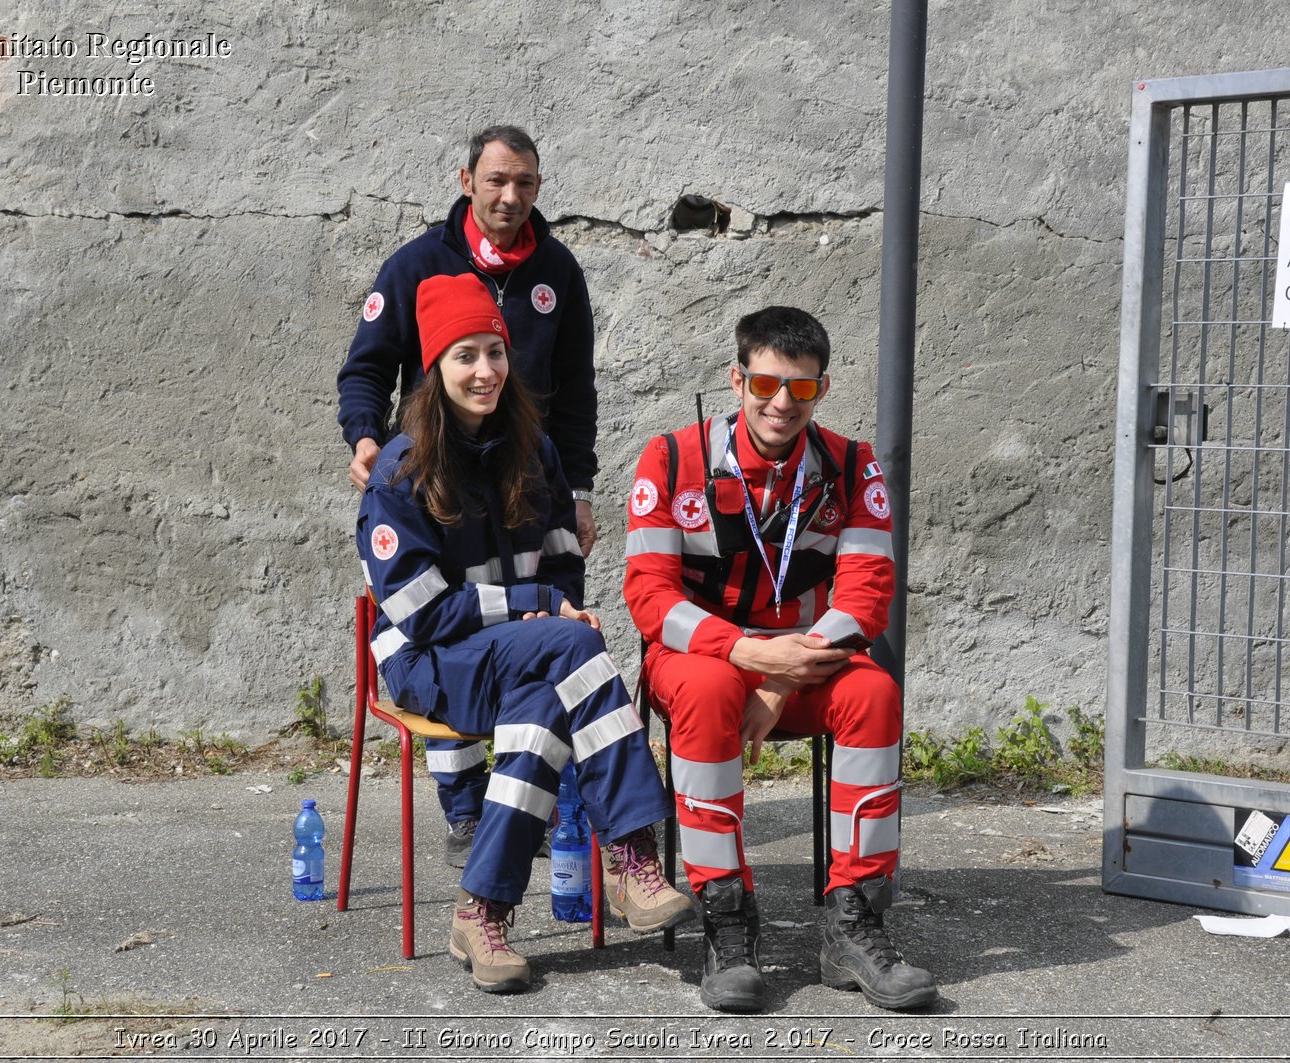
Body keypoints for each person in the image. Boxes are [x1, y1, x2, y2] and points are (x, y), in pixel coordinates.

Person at [357, 273, 691, 994]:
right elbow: (420, 613)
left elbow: (565, 555)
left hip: (517, 655)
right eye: (465, 356)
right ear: (434, 369)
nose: (485, 371)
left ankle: (481, 912)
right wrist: (540, 608)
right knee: (573, 648)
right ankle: (633, 853)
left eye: (494, 353)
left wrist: (556, 607)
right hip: (429, 661)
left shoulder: (531, 446)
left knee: (543, 712)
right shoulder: (398, 469)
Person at [622, 306, 938, 1014]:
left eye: (802, 389)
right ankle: (727, 921)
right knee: (705, 687)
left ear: (821, 390)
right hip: (705, 660)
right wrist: (748, 655)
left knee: (876, 694)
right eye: (767, 383)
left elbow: (867, 593)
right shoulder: (670, 458)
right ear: (738, 380)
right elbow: (649, 594)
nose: (782, 403)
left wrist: (778, 674)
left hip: (803, 665)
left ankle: (854, 920)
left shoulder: (852, 464)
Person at [338, 125, 600, 867]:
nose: (510, 197)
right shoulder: (417, 264)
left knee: (532, 622)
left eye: (524, 183)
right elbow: (364, 369)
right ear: (466, 180)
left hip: (524, 485)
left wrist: (574, 489)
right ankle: (465, 808)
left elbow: (576, 394)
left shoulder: (558, 272)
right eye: (496, 181)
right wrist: (365, 438)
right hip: (434, 487)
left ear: (539, 188)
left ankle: (528, 795)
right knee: (439, 625)